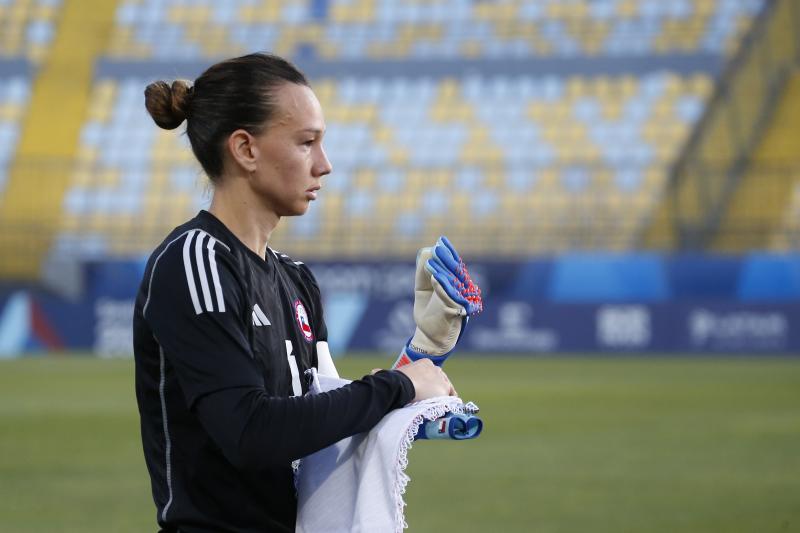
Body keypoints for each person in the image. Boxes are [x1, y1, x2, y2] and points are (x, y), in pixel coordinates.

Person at [132, 53, 466, 532]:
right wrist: (401, 386)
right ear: (245, 149)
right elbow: (249, 432)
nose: (324, 165)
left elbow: (323, 430)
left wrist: (422, 356)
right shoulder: (194, 262)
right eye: (307, 142)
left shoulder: (295, 278)